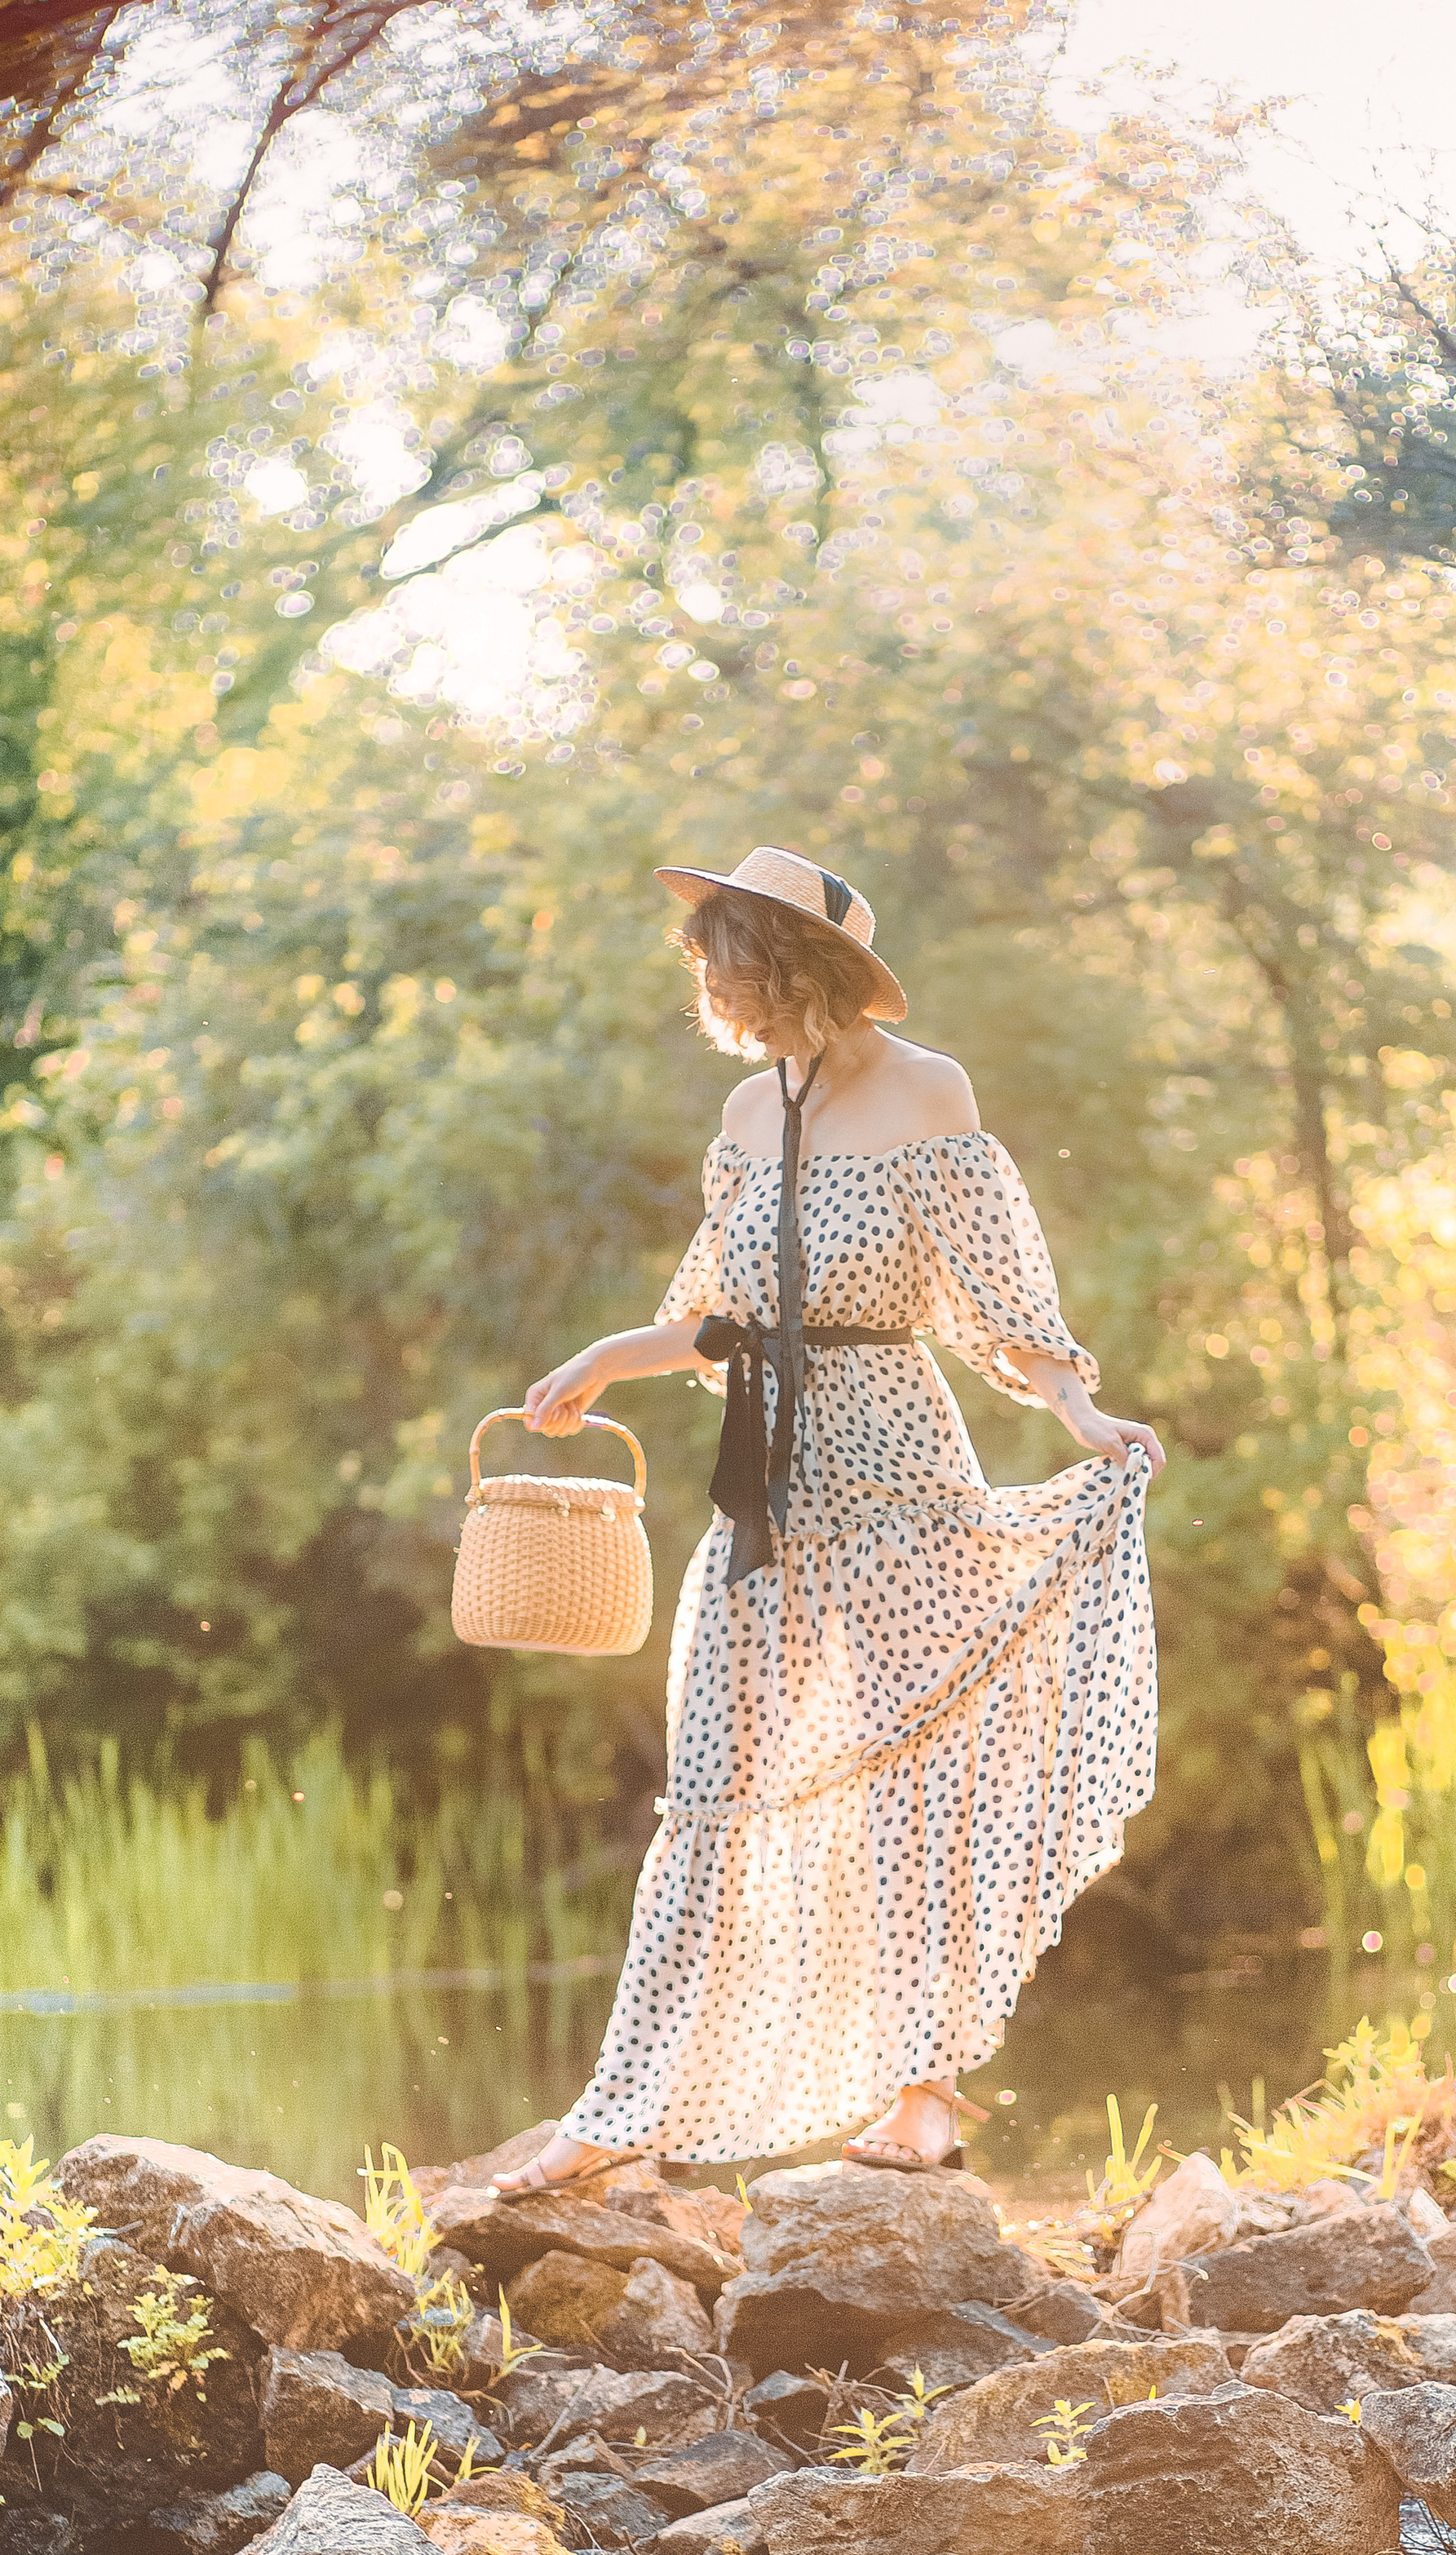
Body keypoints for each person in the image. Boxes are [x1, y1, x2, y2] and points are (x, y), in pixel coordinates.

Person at [490, 844, 1162, 2193]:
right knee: (713, 1795)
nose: (701, 972)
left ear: (785, 960)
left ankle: (924, 2098)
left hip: (899, 1469)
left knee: (913, 1783)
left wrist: (1080, 1414)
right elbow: (714, 1317)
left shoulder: (928, 1091)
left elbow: (1000, 1286)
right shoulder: (746, 1117)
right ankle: (619, 2108)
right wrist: (604, 1359)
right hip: (767, 1485)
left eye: (718, 947)